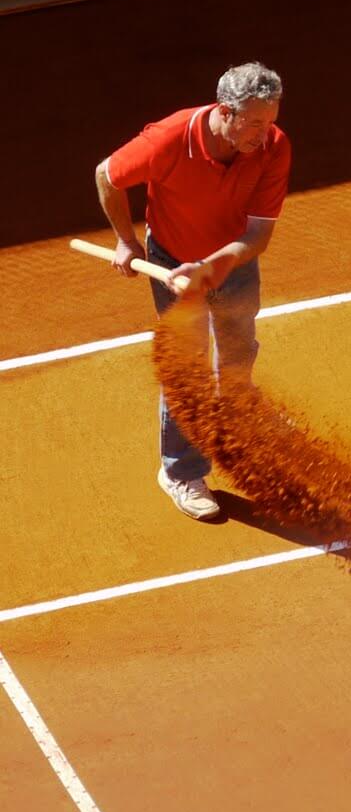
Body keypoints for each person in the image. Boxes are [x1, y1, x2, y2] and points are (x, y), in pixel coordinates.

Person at [95, 62, 290, 520]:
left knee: (239, 351)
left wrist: (210, 267)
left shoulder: (273, 146)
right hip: (170, 264)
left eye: (272, 120)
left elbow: (259, 235)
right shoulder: (168, 140)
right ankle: (180, 471)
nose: (266, 132)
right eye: (256, 123)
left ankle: (238, 422)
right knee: (188, 369)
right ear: (226, 112)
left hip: (233, 264)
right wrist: (126, 240)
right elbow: (107, 174)